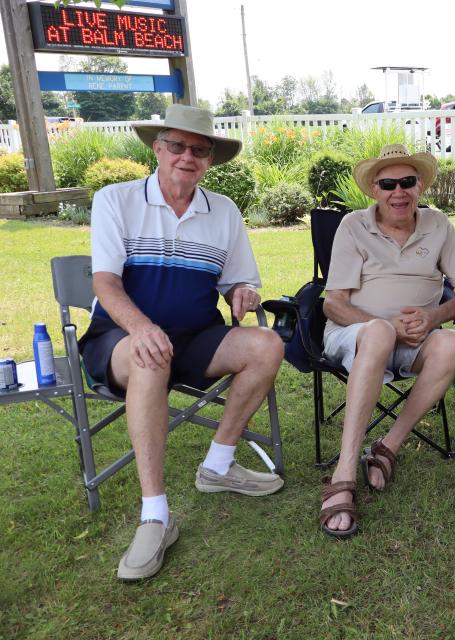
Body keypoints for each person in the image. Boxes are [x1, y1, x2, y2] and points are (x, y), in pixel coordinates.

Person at [81, 104, 286, 581]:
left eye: (199, 149)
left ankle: (218, 465)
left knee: (267, 345)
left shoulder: (224, 211)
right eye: (176, 145)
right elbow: (106, 284)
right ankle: (156, 514)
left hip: (196, 336)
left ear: (210, 159)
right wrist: (141, 328)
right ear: (157, 148)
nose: (186, 156)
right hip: (120, 337)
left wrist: (241, 293)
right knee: (150, 357)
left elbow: (237, 283)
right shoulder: (116, 199)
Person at [319, 144, 455, 539]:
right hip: (357, 335)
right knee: (378, 333)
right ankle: (345, 470)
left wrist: (434, 317)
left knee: (453, 343)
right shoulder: (353, 226)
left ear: (420, 185)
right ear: (374, 189)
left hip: (416, 339)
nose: (399, 192)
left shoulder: (438, 225)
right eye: (388, 184)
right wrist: (387, 324)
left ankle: (389, 446)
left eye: (408, 182)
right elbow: (333, 304)